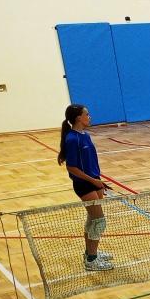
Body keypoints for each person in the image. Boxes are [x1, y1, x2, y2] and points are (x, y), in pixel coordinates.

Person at [57, 105, 112, 272]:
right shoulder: (72, 139)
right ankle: (91, 260)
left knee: (92, 220)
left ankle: (90, 253)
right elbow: (72, 167)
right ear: (78, 118)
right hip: (83, 183)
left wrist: (98, 180)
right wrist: (93, 181)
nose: (89, 116)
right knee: (99, 222)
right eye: (86, 114)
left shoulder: (85, 136)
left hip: (94, 181)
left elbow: (91, 162)